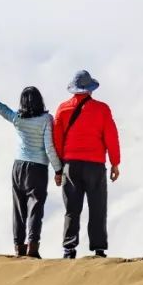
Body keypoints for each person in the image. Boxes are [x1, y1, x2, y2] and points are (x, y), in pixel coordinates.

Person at [0, 75, 62, 258]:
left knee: (19, 209)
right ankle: (33, 249)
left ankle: (19, 249)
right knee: (36, 207)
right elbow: (49, 147)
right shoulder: (46, 119)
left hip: (18, 167)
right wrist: (58, 170)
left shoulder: (17, 118)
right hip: (38, 168)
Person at [53, 69, 121, 259]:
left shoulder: (63, 109)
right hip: (95, 165)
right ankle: (99, 249)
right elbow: (111, 137)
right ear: (90, 89)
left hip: (71, 165)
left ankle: (69, 248)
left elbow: (57, 139)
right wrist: (115, 163)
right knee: (97, 207)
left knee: (72, 209)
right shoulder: (102, 109)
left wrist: (59, 167)